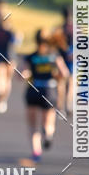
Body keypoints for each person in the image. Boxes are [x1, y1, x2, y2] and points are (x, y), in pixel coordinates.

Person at [20, 29, 70, 161]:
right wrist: (56, 76)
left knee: (32, 125)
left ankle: (36, 152)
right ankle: (48, 134)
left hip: (33, 90)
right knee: (48, 121)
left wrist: (26, 75)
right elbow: (64, 74)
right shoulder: (54, 56)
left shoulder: (31, 57)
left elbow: (21, 73)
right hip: (49, 90)